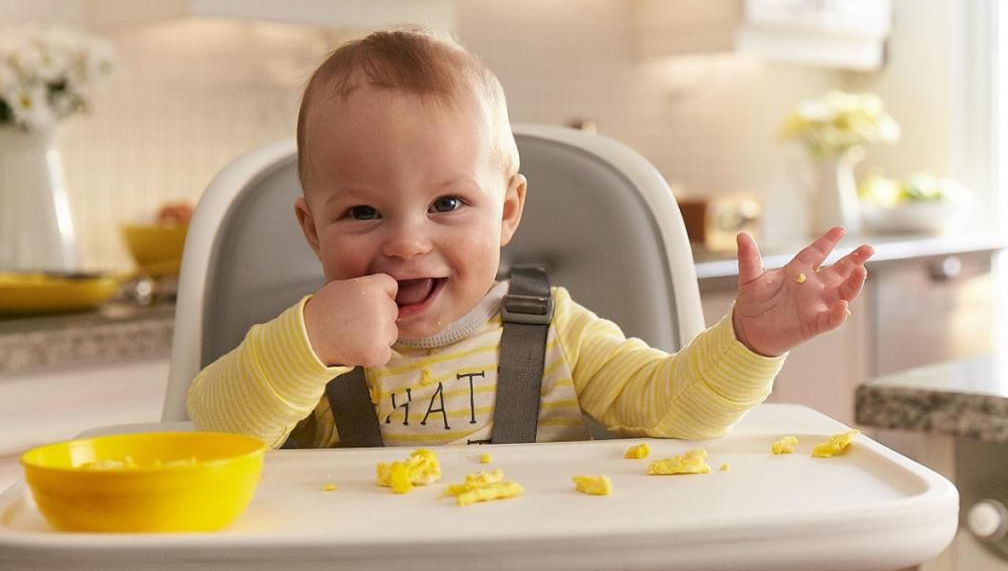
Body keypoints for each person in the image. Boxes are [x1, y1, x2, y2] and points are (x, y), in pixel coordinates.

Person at [187, 29, 874, 448]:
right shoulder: (301, 351)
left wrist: (751, 343)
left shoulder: (558, 334)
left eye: (448, 203)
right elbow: (212, 436)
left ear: (509, 211)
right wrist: (308, 342)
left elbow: (676, 411)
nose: (405, 242)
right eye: (363, 214)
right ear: (312, 229)